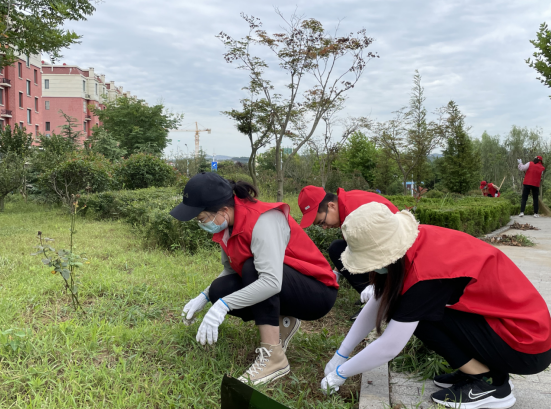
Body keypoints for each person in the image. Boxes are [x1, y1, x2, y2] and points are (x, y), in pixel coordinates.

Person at [320, 202, 551, 409]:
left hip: (525, 342)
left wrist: (341, 373)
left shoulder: (427, 273)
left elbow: (390, 346)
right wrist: (341, 353)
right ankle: (479, 371)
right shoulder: (414, 243)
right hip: (511, 327)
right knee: (407, 309)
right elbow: (378, 301)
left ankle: (490, 383)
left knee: (414, 315)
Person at [171, 173, 338, 386]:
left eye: (202, 219)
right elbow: (231, 271)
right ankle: (284, 320)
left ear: (223, 211)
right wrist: (205, 297)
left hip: (317, 292)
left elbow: (270, 281)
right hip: (285, 283)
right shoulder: (227, 226)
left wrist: (223, 307)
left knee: (253, 269)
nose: (201, 224)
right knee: (219, 289)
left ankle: (274, 357)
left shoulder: (262, 219)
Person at [298, 185, 399, 320]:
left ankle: (380, 301)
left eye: (322, 222)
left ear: (331, 206)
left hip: (397, 255)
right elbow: (353, 247)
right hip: (382, 249)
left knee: (337, 249)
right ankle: (371, 298)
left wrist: (378, 286)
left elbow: (379, 248)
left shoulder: (355, 213)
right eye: (319, 225)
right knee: (337, 249)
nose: (324, 227)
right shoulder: (346, 205)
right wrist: (335, 273)